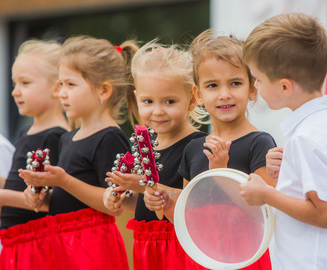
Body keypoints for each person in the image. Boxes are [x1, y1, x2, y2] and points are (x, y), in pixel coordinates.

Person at [240, 13, 327, 270]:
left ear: (286, 87)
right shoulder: (325, 127)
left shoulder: (307, 138)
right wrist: (285, 173)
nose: (256, 85)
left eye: (259, 79)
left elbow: (323, 214)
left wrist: (266, 194)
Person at [144, 30, 277, 270]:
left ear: (252, 88)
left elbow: (263, 212)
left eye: (235, 83)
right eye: (212, 85)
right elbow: (188, 217)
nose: (224, 94)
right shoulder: (194, 148)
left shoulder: (261, 143)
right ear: (199, 95)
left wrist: (219, 173)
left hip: (245, 259)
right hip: (201, 258)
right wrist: (164, 202)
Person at [18, 36, 138, 270]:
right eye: (60, 84)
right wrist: (38, 194)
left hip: (92, 245)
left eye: (70, 85)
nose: (61, 93)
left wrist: (63, 180)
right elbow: (67, 198)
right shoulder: (66, 138)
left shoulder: (109, 137)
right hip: (60, 242)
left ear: (103, 91)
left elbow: (113, 204)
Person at [103, 40, 207, 270]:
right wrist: (120, 197)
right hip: (146, 247)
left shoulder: (198, 145)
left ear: (191, 99)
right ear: (137, 97)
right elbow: (146, 202)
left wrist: (143, 186)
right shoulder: (145, 146)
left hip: (180, 249)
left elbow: (197, 203)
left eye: (169, 101)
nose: (158, 110)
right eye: (148, 101)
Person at [0, 39, 69, 266]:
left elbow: (53, 201)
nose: (15, 92)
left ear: (57, 87)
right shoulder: (27, 132)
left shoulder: (57, 136)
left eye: (25, 83)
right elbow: (21, 185)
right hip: (15, 242)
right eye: (14, 83)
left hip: (37, 244)